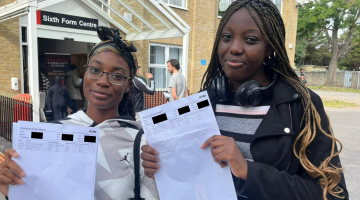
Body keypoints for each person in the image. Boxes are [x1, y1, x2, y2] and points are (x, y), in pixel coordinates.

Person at [141, 1, 348, 200]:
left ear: (270, 47)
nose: (235, 48)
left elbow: (332, 193)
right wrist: (161, 164)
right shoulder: (202, 103)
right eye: (227, 37)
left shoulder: (301, 105)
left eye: (250, 39)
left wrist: (248, 171)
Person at [0, 27, 159, 200]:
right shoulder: (51, 135)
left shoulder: (142, 143)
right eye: (95, 70)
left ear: (128, 85)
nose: (103, 81)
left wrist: (161, 174)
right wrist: (15, 187)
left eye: (117, 76)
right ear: (85, 73)